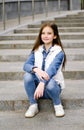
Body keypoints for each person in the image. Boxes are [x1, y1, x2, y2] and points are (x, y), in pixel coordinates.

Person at [23, 22, 66, 118]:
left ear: (55, 36)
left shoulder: (59, 52)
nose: (45, 36)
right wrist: (36, 69)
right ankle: (33, 105)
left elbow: (52, 70)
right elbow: (26, 65)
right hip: (37, 91)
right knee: (27, 75)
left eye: (49, 33)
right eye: (43, 33)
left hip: (52, 89)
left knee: (50, 83)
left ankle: (57, 104)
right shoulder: (37, 50)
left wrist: (42, 83)